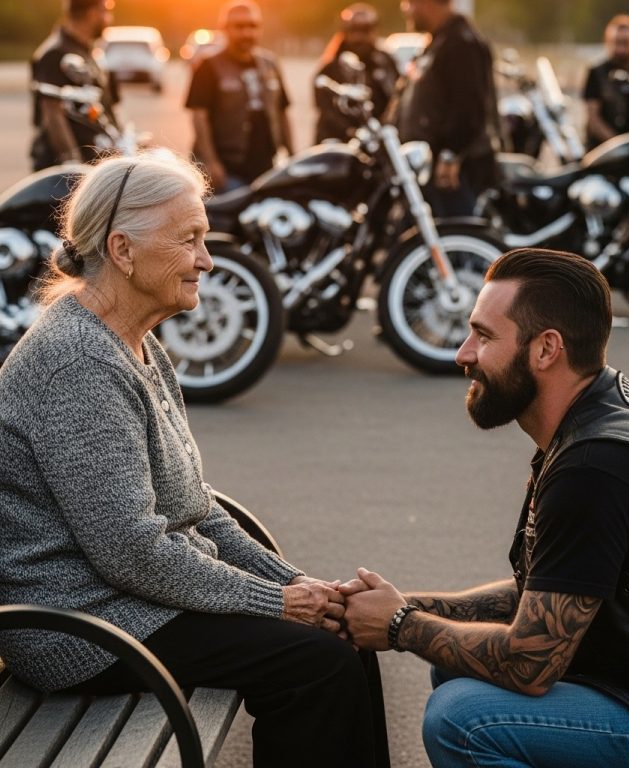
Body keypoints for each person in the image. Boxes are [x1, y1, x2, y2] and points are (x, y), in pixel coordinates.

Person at [0, 151, 389, 768]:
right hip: (81, 626)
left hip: (129, 600)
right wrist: (278, 603)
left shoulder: (134, 342)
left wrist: (294, 584)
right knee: (315, 664)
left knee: (338, 635)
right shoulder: (75, 362)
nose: (207, 259)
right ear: (123, 251)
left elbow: (195, 511)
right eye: (190, 240)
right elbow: (130, 549)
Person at [342, 247, 629, 767]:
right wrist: (404, 604)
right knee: (455, 664)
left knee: (461, 717)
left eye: (484, 335)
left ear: (546, 350)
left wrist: (399, 625)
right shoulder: (605, 410)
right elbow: (549, 592)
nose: (462, 353)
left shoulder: (594, 468)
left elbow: (531, 664)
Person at [388, 0, 499, 217]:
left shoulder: (461, 43)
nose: (405, 8)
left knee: (457, 237)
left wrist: (450, 154)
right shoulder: (439, 40)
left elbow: (469, 107)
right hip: (431, 165)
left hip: (454, 172)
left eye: (410, 3)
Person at [185, 0, 294, 192]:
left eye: (252, 26)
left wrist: (293, 157)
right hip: (227, 170)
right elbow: (199, 118)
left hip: (267, 169)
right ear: (225, 29)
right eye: (239, 27)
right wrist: (211, 163)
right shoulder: (208, 66)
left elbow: (282, 112)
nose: (246, 33)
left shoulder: (270, 64)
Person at [30, 0, 120, 170]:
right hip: (64, 173)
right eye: (106, 11)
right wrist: (73, 165)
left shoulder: (91, 52)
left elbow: (109, 107)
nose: (109, 18)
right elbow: (52, 113)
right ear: (93, 13)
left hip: (97, 163)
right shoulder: (55, 53)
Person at [313, 3, 399, 143]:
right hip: (340, 146)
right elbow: (327, 112)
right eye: (354, 30)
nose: (360, 36)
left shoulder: (386, 63)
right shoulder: (330, 69)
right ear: (345, 32)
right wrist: (355, 134)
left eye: (366, 29)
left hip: (380, 144)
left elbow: (396, 100)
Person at [582, 14, 629, 151]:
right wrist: (618, 145)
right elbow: (593, 118)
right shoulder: (597, 73)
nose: (621, 49)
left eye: (626, 42)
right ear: (608, 42)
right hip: (605, 152)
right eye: (617, 42)